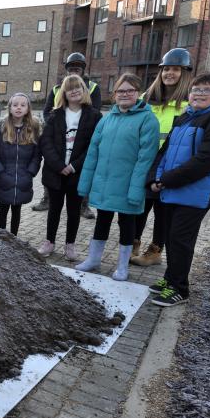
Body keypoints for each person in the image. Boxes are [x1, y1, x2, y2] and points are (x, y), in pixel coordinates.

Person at [148, 72, 210, 307]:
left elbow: (207, 159)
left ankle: (180, 288)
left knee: (181, 239)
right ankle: (170, 279)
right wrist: (155, 177)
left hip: (196, 193)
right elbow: (165, 151)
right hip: (174, 188)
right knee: (171, 236)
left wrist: (167, 180)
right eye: (195, 90)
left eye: (207, 90)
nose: (199, 94)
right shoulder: (186, 116)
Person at [76, 74, 159, 281]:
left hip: (128, 185)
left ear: (138, 94)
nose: (125, 94)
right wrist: (85, 183)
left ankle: (122, 266)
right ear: (114, 94)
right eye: (121, 91)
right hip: (105, 183)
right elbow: (93, 152)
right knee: (102, 222)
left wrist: (136, 188)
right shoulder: (108, 119)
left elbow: (145, 159)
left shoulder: (147, 119)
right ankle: (94, 259)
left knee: (127, 224)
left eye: (130, 90)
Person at [130, 48, 193, 267]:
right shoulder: (146, 99)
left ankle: (156, 251)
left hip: (170, 163)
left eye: (175, 69)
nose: (169, 74)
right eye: (166, 69)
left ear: (184, 73)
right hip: (146, 160)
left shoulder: (190, 103)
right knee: (140, 205)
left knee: (163, 210)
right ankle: (133, 243)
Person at [37, 75, 102, 260]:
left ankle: (70, 245)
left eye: (78, 87)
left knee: (74, 211)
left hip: (77, 173)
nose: (74, 91)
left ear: (84, 91)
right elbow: (46, 142)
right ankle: (49, 241)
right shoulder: (55, 114)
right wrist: (59, 165)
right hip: (55, 173)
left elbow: (93, 146)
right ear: (64, 93)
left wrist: (73, 166)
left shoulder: (94, 116)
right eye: (69, 88)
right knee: (54, 209)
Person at [34, 52, 102, 216]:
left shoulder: (92, 87)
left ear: (83, 70)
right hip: (59, 135)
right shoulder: (57, 88)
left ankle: (83, 205)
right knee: (52, 165)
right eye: (71, 68)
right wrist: (53, 125)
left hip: (82, 136)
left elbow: (96, 111)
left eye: (77, 68)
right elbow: (47, 110)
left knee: (84, 170)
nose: (74, 71)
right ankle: (47, 199)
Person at [0, 93, 42, 236]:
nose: (19, 108)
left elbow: (37, 156)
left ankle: (14, 239)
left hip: (23, 179)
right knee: (3, 210)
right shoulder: (0, 129)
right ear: (9, 108)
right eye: (15, 105)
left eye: (23, 105)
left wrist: (30, 173)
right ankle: (0, 238)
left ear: (28, 109)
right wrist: (0, 173)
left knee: (17, 211)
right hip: (4, 179)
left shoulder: (33, 130)